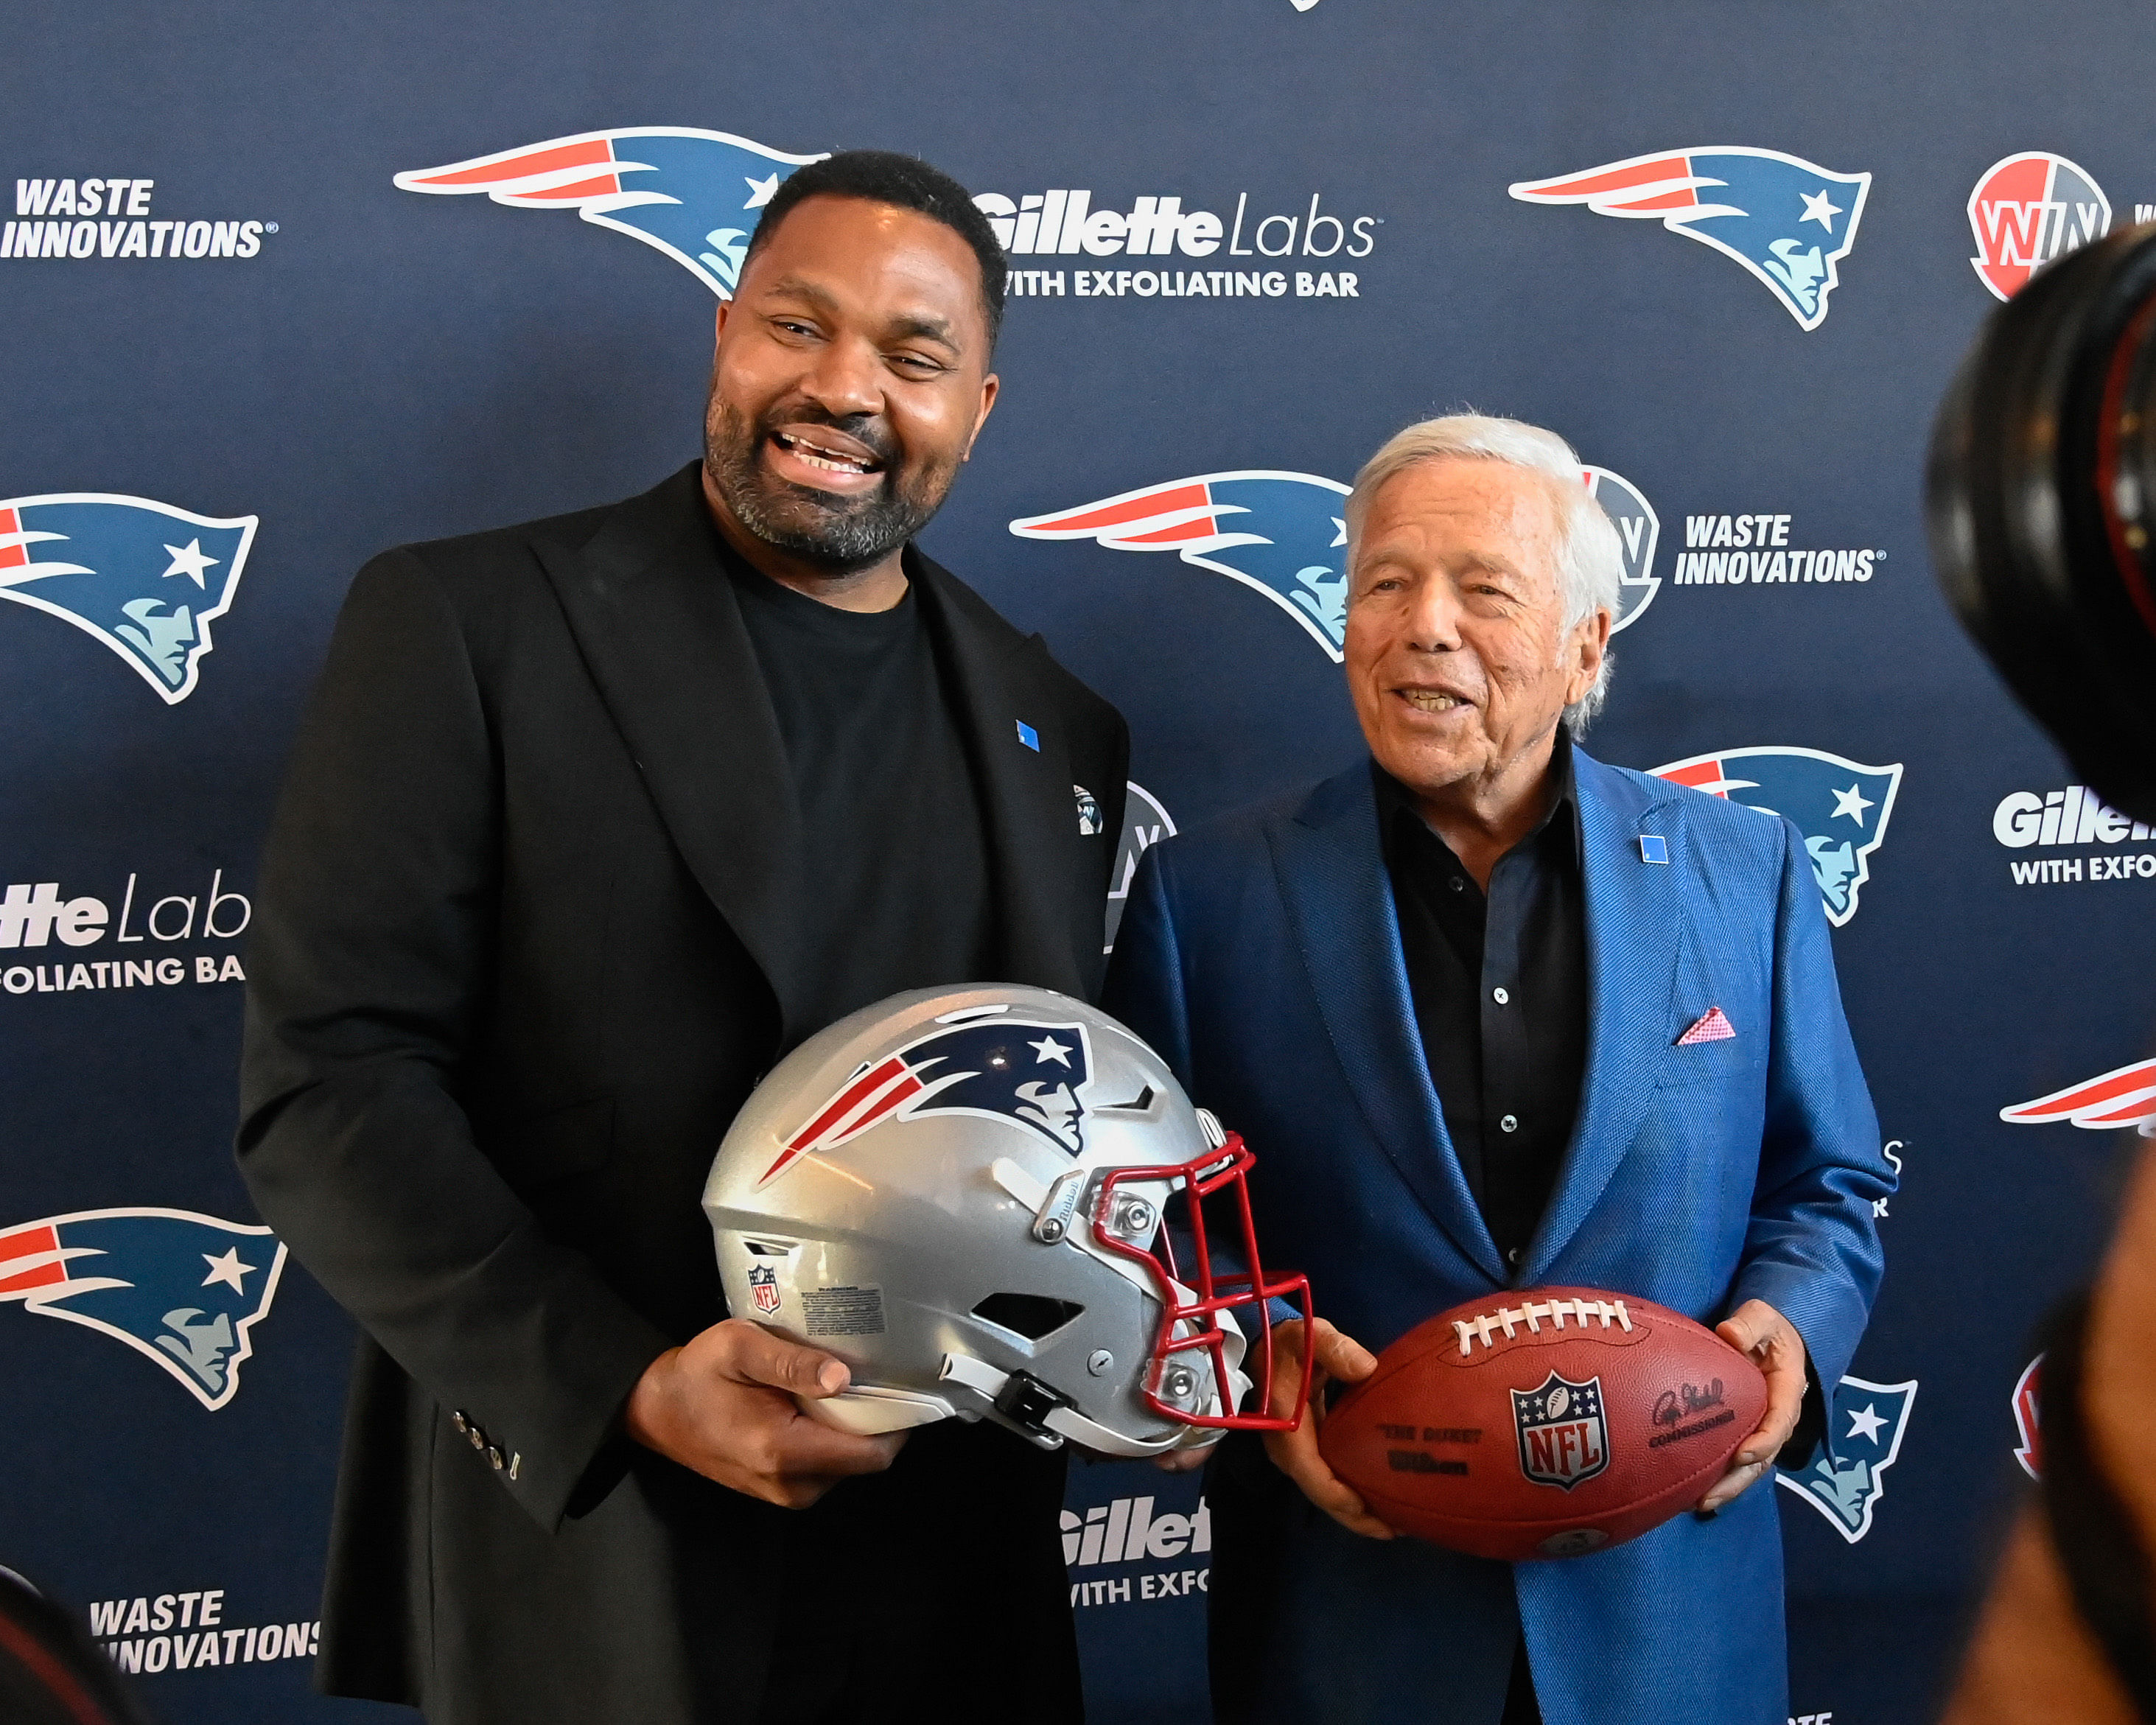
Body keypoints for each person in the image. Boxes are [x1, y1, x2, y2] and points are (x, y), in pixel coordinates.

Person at [237, 151, 1127, 1725]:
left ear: (977, 408)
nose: (845, 389)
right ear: (724, 336)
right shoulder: (467, 626)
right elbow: (330, 1084)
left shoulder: (1051, 719)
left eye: (914, 357)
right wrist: (624, 1388)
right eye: (799, 325)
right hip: (601, 1547)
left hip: (957, 1571)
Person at [1103, 413, 1893, 1725]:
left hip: (1666, 1621)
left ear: (1586, 640)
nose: (1425, 626)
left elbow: (1828, 1183)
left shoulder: (1743, 874)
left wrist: (1791, 1322)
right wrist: (1257, 1347)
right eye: (1384, 585)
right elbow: (1150, 1230)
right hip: (1351, 1622)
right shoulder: (1206, 897)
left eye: (1485, 590)